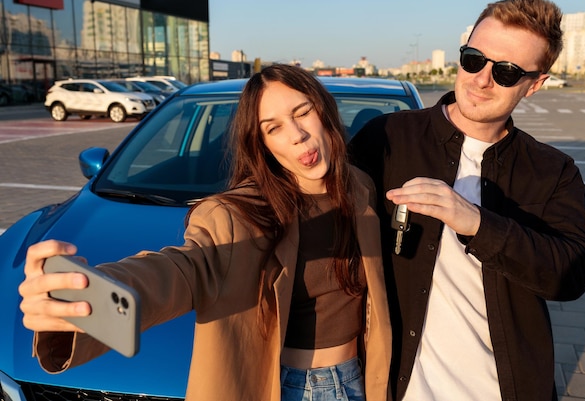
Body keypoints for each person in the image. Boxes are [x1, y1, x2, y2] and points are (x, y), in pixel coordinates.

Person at [18, 64, 391, 401]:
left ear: (323, 111)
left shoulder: (359, 188)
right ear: (262, 144)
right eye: (273, 128)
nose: (296, 136)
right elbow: (178, 270)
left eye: (302, 112)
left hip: (362, 378)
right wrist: (89, 302)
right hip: (298, 389)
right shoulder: (237, 214)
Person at [348, 0, 585, 401]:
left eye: (506, 71)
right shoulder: (387, 139)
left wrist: (478, 223)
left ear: (534, 85)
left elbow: (571, 275)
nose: (482, 79)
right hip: (399, 387)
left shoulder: (553, 171)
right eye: (473, 59)